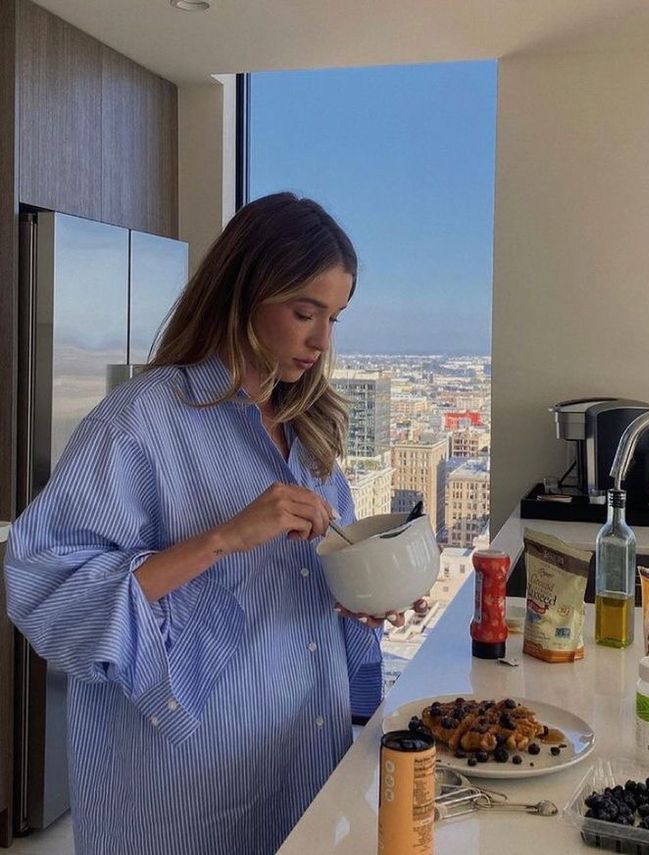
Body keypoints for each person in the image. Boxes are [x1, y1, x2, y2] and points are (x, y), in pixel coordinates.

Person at [4, 192, 428, 855]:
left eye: (334, 317)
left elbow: (317, 575)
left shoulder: (308, 432)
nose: (321, 340)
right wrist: (223, 537)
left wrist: (364, 595)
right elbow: (47, 596)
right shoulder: (140, 422)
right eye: (304, 312)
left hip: (301, 755)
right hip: (184, 791)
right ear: (242, 293)